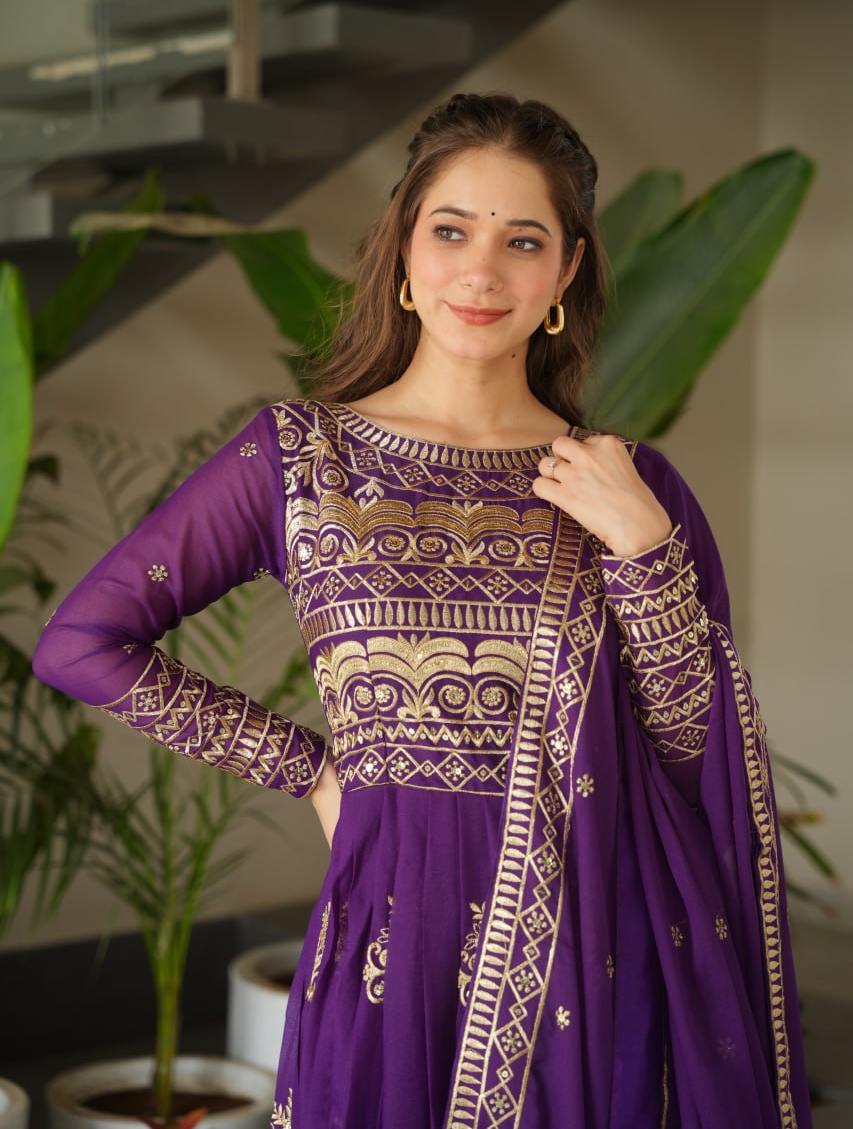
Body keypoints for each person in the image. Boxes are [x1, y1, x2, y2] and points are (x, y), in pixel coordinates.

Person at [33, 91, 813, 1129]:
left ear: (564, 274)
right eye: (450, 231)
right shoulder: (302, 458)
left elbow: (691, 753)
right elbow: (81, 643)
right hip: (386, 936)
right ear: (403, 252)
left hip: (587, 948)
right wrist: (307, 767)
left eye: (521, 240)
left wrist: (643, 551)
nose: (480, 272)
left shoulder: (627, 486)